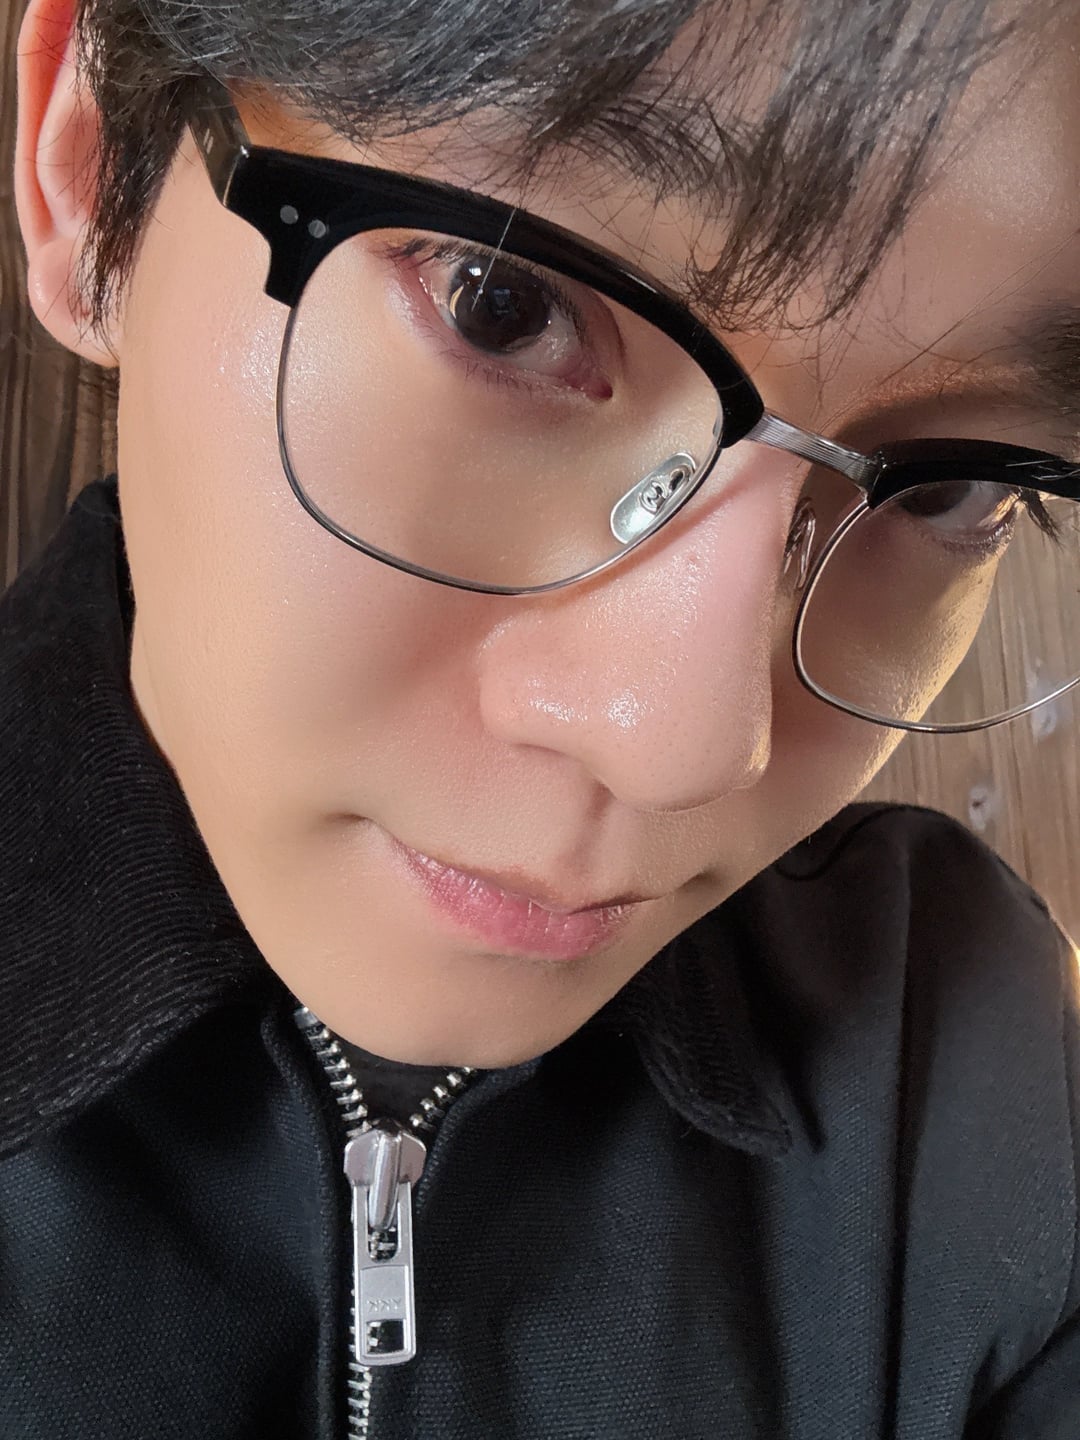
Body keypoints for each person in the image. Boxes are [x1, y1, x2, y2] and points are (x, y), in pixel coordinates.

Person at [3, 0, 1079, 1434]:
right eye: (500, 304)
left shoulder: (969, 1056)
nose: (684, 745)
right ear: (90, 166)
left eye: (949, 486)